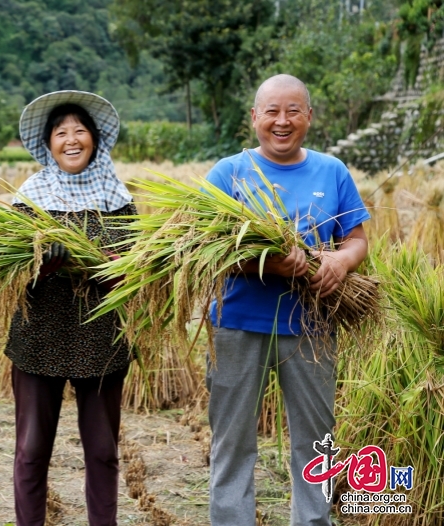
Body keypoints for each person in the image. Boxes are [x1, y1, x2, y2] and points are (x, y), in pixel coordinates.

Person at [204, 74, 370, 526]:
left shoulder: (331, 171)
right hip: (237, 325)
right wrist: (267, 264)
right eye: (271, 112)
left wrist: (341, 263)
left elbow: (357, 239)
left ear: (309, 117)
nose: (282, 121)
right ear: (254, 117)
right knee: (233, 442)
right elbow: (203, 248)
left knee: (315, 440)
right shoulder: (228, 173)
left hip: (310, 327)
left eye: (293, 111)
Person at [6, 91, 136, 526]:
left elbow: (136, 270)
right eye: (61, 132)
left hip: (100, 339)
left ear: (96, 140)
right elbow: (7, 275)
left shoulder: (119, 201)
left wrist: (111, 268)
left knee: (102, 451)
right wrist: (41, 267)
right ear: (48, 144)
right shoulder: (27, 201)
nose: (72, 139)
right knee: (31, 449)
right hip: (38, 337)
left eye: (80, 130)